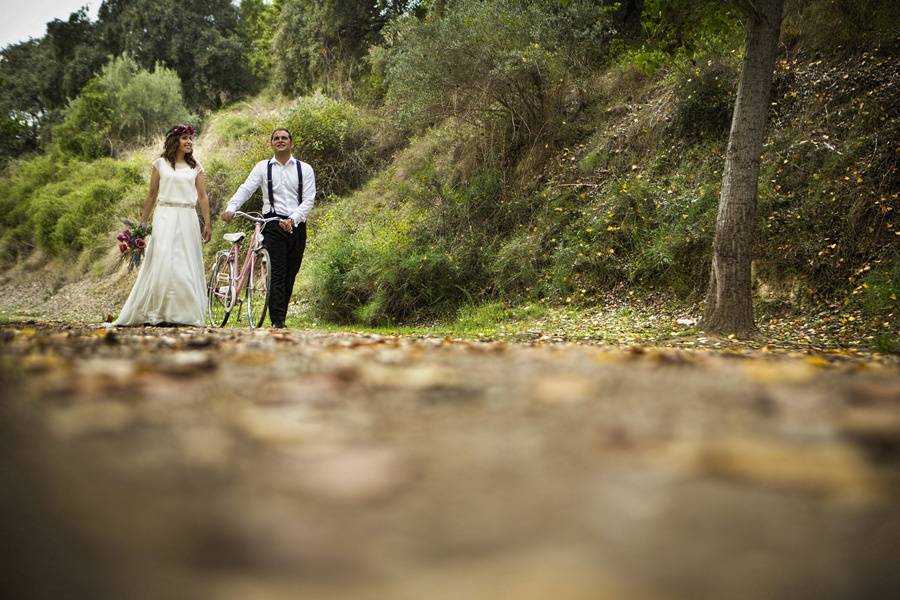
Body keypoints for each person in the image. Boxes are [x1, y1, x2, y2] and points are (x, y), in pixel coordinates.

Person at [113, 125, 212, 327]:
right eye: (185, 138)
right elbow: (151, 195)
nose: (189, 142)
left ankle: (186, 313)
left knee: (185, 264)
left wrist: (207, 223)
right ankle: (160, 312)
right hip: (165, 216)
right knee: (165, 263)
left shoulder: (196, 167)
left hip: (187, 217)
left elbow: (202, 197)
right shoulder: (160, 164)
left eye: (191, 139)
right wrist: (142, 223)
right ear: (175, 141)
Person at [222, 128, 315, 328]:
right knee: (277, 272)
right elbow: (246, 188)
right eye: (276, 138)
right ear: (271, 143)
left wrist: (293, 218)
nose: (280, 141)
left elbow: (309, 199)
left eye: (284, 138)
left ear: (292, 143)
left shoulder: (305, 169)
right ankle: (278, 321)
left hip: (297, 225)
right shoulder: (263, 168)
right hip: (272, 225)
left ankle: (280, 316)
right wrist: (231, 207)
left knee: (291, 273)